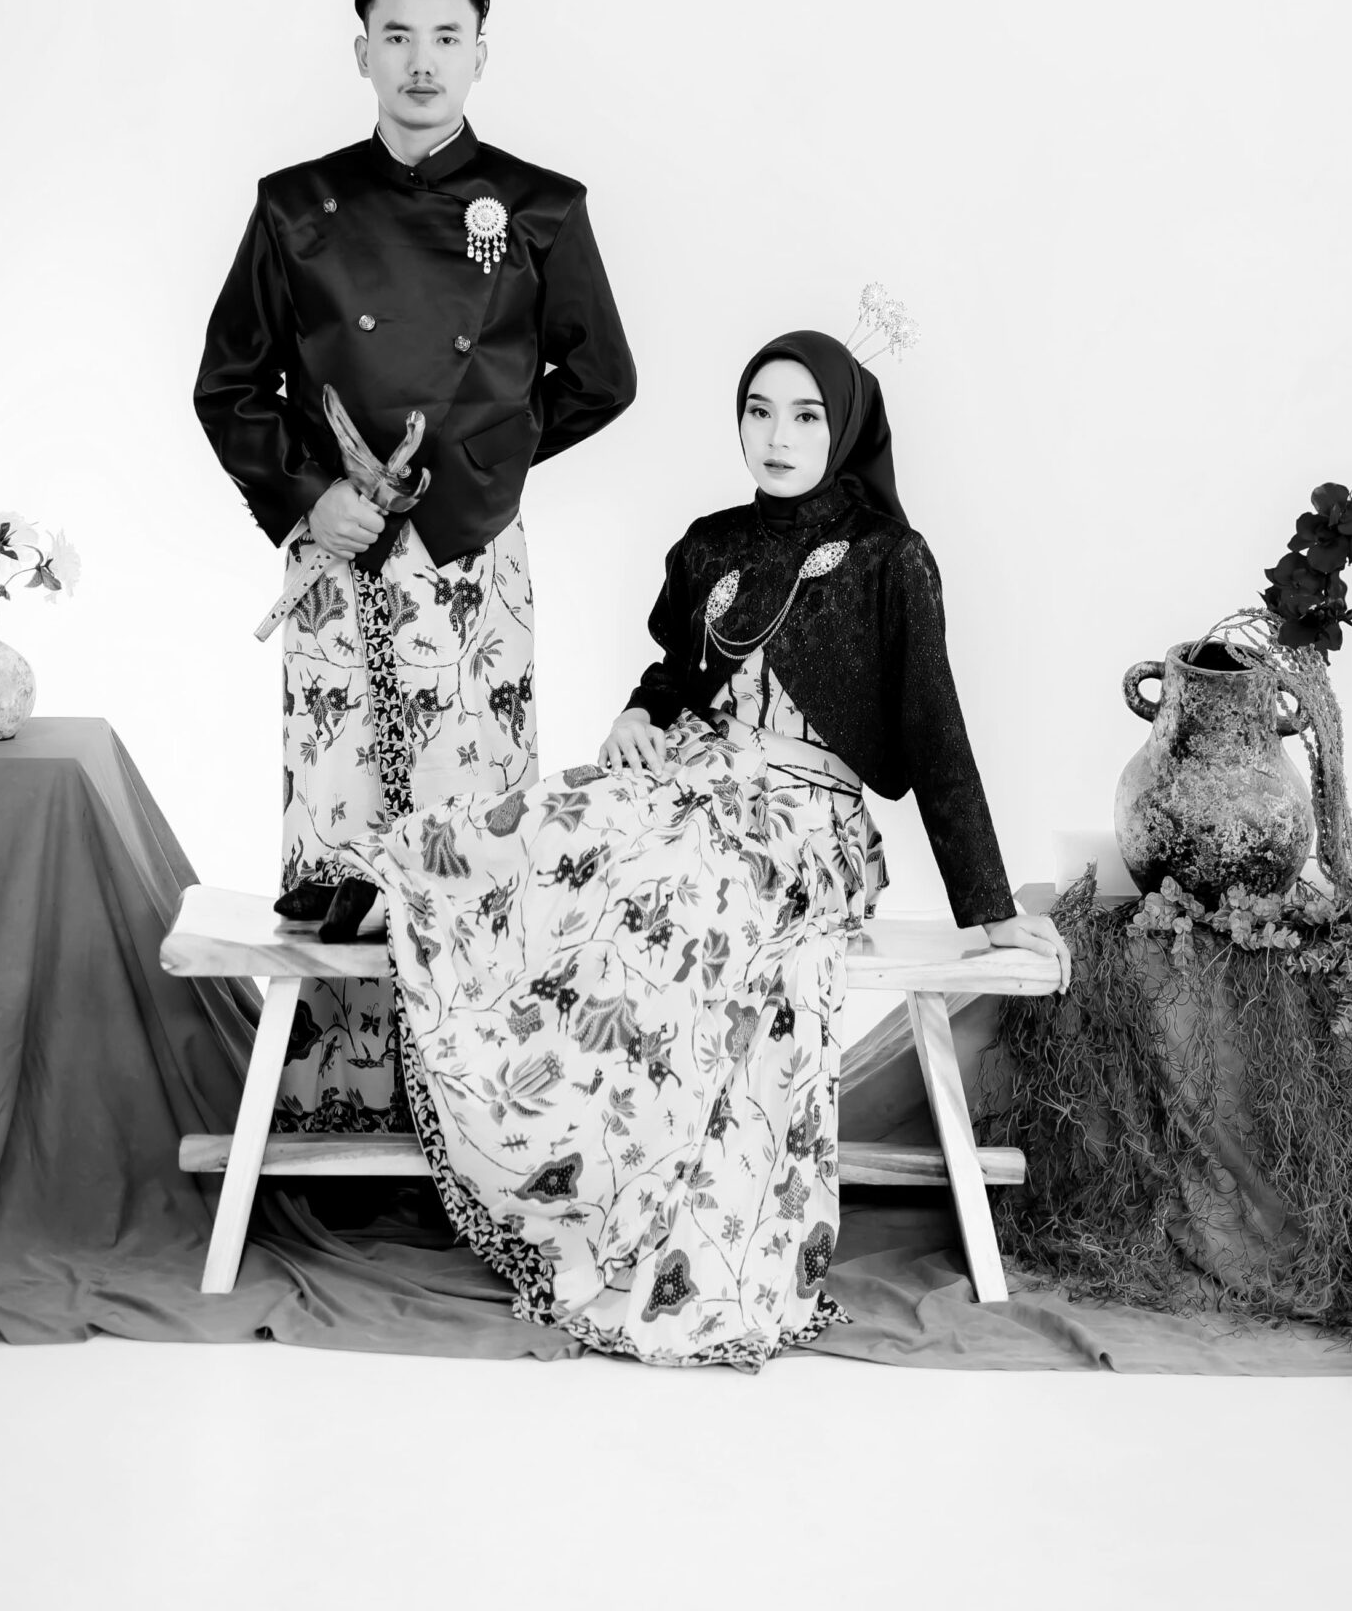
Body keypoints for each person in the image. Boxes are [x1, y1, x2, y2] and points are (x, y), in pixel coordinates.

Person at [350, 328, 1067, 1365]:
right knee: (564, 818)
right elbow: (673, 674)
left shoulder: (889, 558)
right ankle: (420, 895)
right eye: (758, 411)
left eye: (805, 416)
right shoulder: (709, 544)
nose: (777, 437)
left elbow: (934, 733)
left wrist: (988, 907)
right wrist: (639, 715)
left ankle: (659, 1216)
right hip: (694, 777)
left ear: (844, 427)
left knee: (677, 891)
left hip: (803, 823)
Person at [193, 0, 636, 1129]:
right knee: (339, 830)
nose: (421, 61)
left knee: (471, 833)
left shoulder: (540, 207)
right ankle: (334, 1113)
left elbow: (600, 378)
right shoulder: (294, 205)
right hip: (336, 558)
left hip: (470, 562)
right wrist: (307, 499)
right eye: (397, 36)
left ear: (480, 54)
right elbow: (228, 386)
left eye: (446, 37)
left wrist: (472, 476)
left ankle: (480, 1125)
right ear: (362, 54)